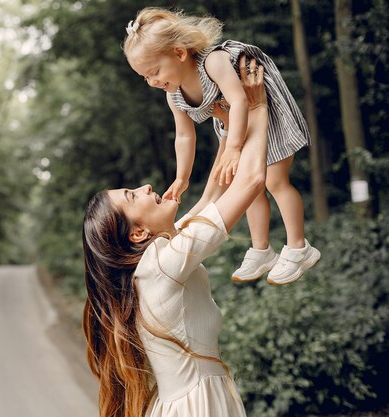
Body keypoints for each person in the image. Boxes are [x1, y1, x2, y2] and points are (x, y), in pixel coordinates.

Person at [82, 56, 269, 417]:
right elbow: (250, 181)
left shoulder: (159, 259)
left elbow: (214, 192)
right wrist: (258, 108)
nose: (146, 186)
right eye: (133, 196)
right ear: (138, 232)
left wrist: (230, 120)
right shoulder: (163, 265)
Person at [122, 8, 320, 285]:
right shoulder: (173, 94)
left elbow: (240, 101)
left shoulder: (213, 63)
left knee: (275, 181)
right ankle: (262, 249)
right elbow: (184, 136)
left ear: (179, 53)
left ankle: (299, 247)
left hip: (263, 109)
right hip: (234, 126)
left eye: (154, 71)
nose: (153, 82)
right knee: (245, 185)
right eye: (145, 77)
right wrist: (182, 178)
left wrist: (234, 148)